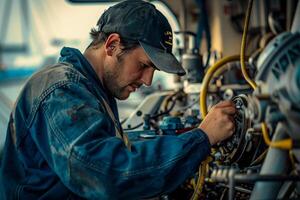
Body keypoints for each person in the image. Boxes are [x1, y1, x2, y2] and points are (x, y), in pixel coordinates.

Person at [0, 0, 236, 199]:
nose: (148, 81)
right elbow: (106, 174)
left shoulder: (90, 89)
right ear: (112, 45)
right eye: (144, 65)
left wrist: (180, 137)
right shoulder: (62, 90)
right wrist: (202, 137)